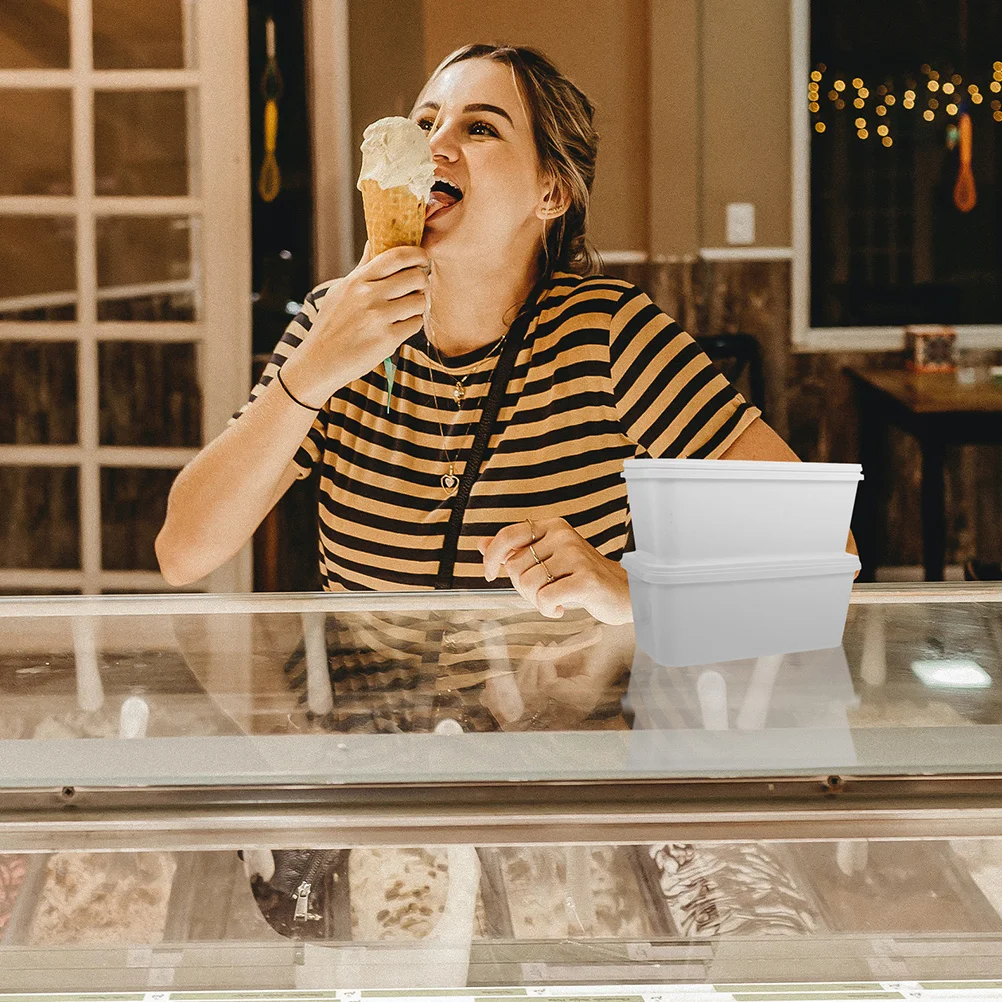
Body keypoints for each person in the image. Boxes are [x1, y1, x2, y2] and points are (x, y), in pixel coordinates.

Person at [156, 43, 856, 624]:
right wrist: (308, 375)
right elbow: (183, 553)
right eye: (425, 122)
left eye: (480, 128)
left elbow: (829, 556)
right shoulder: (330, 324)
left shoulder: (608, 335)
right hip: (377, 738)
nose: (435, 144)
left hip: (556, 736)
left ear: (551, 193)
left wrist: (630, 589)